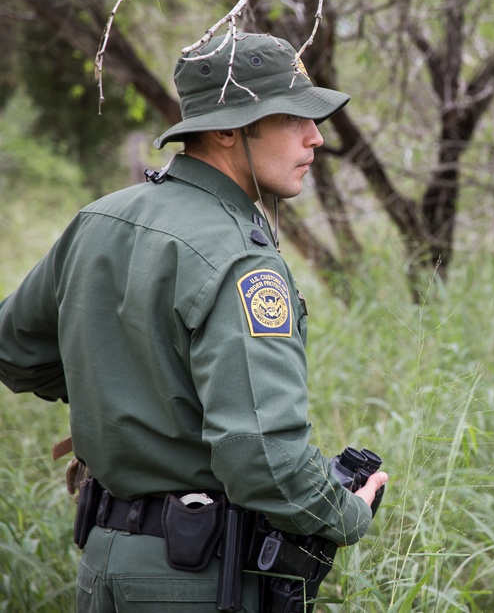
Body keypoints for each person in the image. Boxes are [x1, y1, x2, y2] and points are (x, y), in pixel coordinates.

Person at [0, 32, 388, 612]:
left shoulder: (100, 218)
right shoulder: (240, 258)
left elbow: (14, 351)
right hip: (195, 583)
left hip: (103, 567)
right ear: (228, 129)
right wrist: (348, 511)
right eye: (291, 119)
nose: (317, 137)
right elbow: (267, 462)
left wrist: (122, 394)